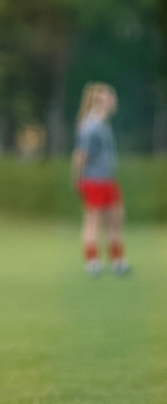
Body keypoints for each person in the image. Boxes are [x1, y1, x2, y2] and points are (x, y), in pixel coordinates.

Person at [72, 82, 129, 277]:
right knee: (93, 222)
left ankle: (118, 261)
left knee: (116, 220)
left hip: (108, 179)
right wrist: (78, 179)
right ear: (100, 101)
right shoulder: (90, 126)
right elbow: (80, 155)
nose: (114, 101)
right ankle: (92, 262)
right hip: (94, 180)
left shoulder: (103, 124)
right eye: (110, 98)